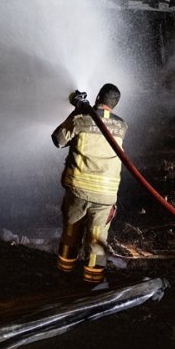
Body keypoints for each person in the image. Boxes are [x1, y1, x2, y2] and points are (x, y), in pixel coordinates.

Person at [51, 83, 127, 284]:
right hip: (106, 196)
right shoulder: (122, 126)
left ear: (98, 97)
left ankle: (64, 274)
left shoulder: (81, 119)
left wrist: (77, 110)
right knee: (97, 240)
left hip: (79, 190)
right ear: (115, 104)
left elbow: (58, 139)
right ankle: (92, 282)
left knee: (71, 233)